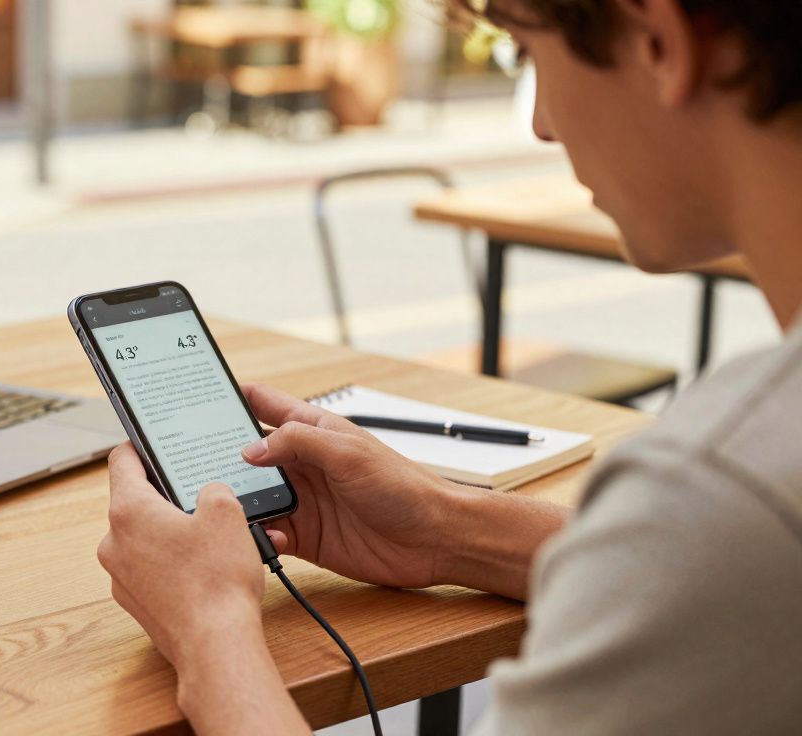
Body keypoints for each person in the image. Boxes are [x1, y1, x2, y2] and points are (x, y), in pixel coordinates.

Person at [95, 1, 802, 733]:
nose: (542, 126)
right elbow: (703, 570)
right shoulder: (735, 508)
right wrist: (445, 528)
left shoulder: (732, 486)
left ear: (659, 41)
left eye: (528, 55)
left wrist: (209, 630)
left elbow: (721, 543)